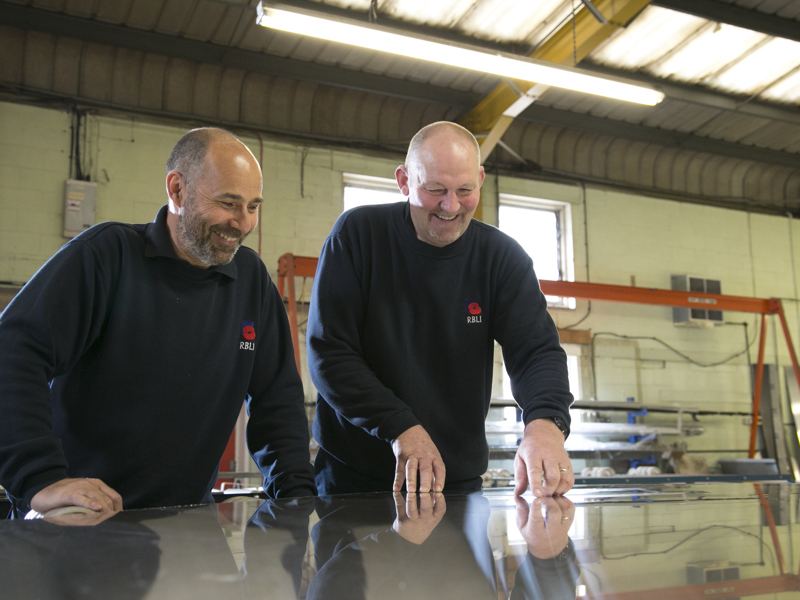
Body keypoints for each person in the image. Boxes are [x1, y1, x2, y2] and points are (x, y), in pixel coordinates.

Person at [0, 127, 316, 519]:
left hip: (187, 530)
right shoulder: (106, 258)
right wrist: (40, 479)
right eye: (228, 203)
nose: (242, 223)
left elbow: (278, 402)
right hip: (83, 521)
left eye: (253, 206)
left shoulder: (251, 282)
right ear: (178, 190)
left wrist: (297, 501)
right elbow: (13, 351)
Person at [307, 121, 574, 497]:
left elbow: (536, 351)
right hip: (356, 479)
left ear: (480, 179)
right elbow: (330, 353)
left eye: (465, 190)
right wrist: (401, 428)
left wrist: (545, 424)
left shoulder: (501, 258)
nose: (450, 206)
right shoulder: (357, 236)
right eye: (435, 190)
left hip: (456, 483)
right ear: (404, 181)